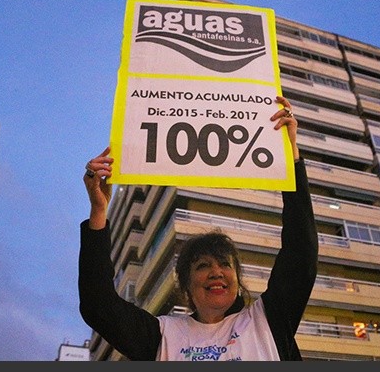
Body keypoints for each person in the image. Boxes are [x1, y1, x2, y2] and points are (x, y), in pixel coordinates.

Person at [79, 96, 318, 361]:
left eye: (225, 264)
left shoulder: (267, 320)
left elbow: (301, 254)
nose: (216, 272)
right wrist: (98, 211)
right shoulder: (163, 335)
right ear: (185, 283)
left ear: (237, 277)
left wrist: (290, 157)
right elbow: (97, 305)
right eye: (203, 266)